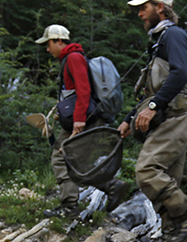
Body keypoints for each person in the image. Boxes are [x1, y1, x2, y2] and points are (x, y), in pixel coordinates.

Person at [118, 0, 187, 242]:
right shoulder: (158, 40)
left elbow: (178, 75)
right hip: (173, 116)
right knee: (170, 181)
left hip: (177, 117)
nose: (140, 13)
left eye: (144, 7)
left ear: (160, 7)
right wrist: (129, 118)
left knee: (147, 171)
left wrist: (154, 106)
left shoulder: (174, 35)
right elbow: (151, 89)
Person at [34, 24, 127, 218]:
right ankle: (108, 188)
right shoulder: (72, 58)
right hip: (85, 117)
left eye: (49, 43)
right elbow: (75, 94)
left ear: (59, 41)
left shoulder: (74, 58)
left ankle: (72, 206)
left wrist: (78, 121)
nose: (47, 48)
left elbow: (84, 90)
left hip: (85, 119)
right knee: (75, 162)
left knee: (62, 158)